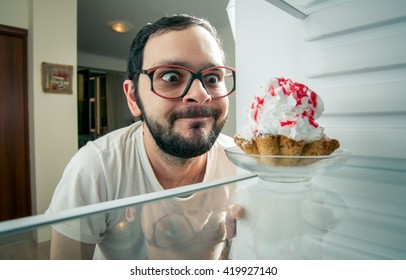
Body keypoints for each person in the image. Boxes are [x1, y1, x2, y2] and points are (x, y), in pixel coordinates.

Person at [47, 14, 241, 260]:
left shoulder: (242, 161)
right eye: (171, 77)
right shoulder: (95, 167)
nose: (200, 94)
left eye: (213, 78)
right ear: (133, 98)